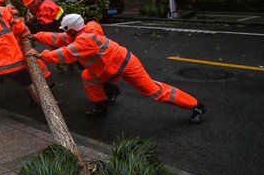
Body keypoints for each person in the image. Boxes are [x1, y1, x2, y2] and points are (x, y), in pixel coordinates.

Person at [26, 13, 206, 123]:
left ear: (73, 29)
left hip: (127, 65)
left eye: (66, 30)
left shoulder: (85, 40)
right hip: (109, 69)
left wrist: (42, 55)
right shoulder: (80, 33)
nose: (65, 33)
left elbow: (65, 54)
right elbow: (57, 39)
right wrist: (35, 35)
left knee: (154, 92)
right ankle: (101, 107)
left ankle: (196, 106)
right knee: (88, 76)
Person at [21, 0, 120, 103]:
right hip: (68, 39)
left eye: (33, 3)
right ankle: (108, 91)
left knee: (89, 68)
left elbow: (42, 26)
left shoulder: (45, 6)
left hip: (72, 41)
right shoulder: (43, 6)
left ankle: (111, 90)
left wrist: (27, 24)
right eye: (29, 5)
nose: (32, 6)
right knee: (88, 67)